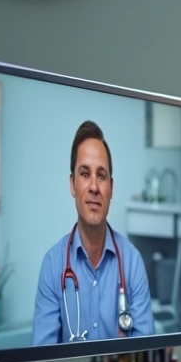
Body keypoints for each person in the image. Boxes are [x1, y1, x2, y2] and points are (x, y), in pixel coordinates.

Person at [32, 121, 154, 345]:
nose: (94, 187)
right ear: (72, 184)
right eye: (85, 174)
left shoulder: (133, 263)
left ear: (111, 187)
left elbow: (143, 361)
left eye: (101, 175)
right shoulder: (53, 265)